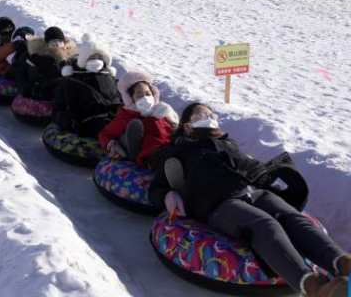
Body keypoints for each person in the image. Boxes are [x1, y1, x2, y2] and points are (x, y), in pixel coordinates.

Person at [149, 102, 350, 297]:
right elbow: (155, 188)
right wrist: (168, 194)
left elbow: (254, 169)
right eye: (202, 115)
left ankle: (342, 263)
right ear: (187, 125)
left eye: (211, 115)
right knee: (265, 225)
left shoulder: (228, 143)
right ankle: (313, 286)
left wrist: (274, 176)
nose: (209, 118)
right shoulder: (180, 150)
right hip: (219, 202)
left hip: (254, 192)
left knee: (293, 217)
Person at [97, 70, 177, 170]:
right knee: (136, 125)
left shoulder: (163, 110)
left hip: (168, 147)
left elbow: (175, 129)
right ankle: (165, 168)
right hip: (149, 153)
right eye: (139, 95)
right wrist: (111, 144)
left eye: (148, 94)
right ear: (131, 99)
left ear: (153, 95)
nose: (145, 98)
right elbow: (105, 134)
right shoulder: (127, 115)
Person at [52, 33, 122, 136]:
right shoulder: (72, 81)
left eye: (99, 57)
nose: (96, 60)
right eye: (92, 57)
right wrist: (70, 122)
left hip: (112, 118)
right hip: (88, 121)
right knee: (106, 127)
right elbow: (58, 108)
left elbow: (118, 98)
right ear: (83, 60)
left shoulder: (109, 79)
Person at [14, 27, 78, 101]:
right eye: (54, 41)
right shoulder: (37, 58)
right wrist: (31, 89)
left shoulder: (70, 58)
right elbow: (22, 76)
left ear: (64, 43)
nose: (57, 44)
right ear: (47, 44)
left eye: (60, 41)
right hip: (46, 90)